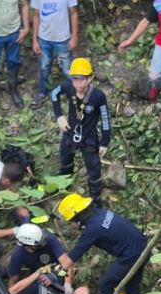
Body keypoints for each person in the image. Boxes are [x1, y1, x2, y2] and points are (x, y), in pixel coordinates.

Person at [56, 194, 148, 294]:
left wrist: (58, 272)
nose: (71, 225)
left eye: (71, 221)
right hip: (143, 247)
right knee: (132, 286)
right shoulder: (100, 213)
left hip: (132, 256)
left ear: (78, 218)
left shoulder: (93, 229)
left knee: (105, 284)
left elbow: (76, 253)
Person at [51, 59, 111, 207]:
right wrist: (59, 116)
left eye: (81, 79)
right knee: (66, 162)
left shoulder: (98, 96)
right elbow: (54, 94)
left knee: (94, 170)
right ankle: (62, 189)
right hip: (70, 132)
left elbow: (105, 119)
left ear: (89, 78)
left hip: (89, 137)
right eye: (75, 79)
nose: (78, 83)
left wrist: (104, 142)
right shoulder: (68, 88)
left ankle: (96, 204)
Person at [117, 0, 161, 115]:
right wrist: (130, 40)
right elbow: (145, 22)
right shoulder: (159, 4)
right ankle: (159, 85)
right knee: (154, 76)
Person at [5, 223, 75, 294]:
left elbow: (66, 263)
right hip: (36, 275)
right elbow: (13, 280)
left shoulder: (49, 239)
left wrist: (68, 284)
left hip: (57, 272)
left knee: (48, 285)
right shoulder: (18, 255)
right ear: (28, 246)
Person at [30, 0, 79, 106]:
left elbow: (74, 13)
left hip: (62, 38)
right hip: (43, 38)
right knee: (44, 66)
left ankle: (72, 92)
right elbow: (36, 15)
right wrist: (34, 40)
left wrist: (74, 36)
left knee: (67, 68)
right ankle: (43, 92)